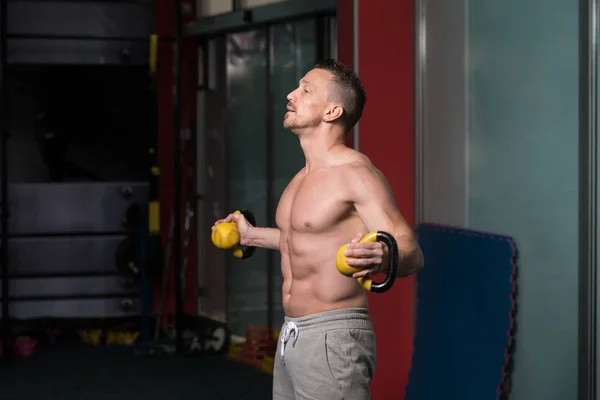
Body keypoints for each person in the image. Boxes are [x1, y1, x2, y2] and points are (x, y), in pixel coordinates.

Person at [212, 58, 424, 400]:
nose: (291, 95)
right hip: (293, 333)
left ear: (332, 112)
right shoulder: (301, 178)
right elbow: (299, 240)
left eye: (305, 89)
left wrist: (384, 253)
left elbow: (412, 252)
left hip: (333, 335)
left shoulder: (355, 173)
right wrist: (250, 235)